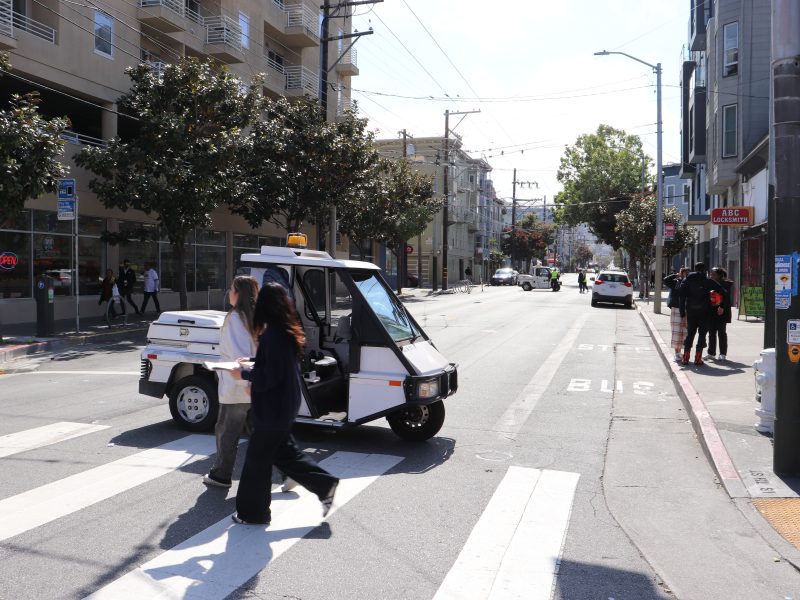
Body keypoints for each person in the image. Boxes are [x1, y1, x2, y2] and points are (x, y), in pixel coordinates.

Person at [228, 283, 339, 525]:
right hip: (282, 407)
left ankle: (253, 514)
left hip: (272, 410)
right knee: (284, 454)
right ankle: (325, 484)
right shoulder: (284, 332)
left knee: (256, 462)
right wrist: (250, 361)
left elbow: (269, 376)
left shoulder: (273, 336)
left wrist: (243, 375)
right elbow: (272, 365)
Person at [203, 276, 260, 489]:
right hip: (254, 384)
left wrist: (243, 379)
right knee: (260, 433)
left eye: (231, 289)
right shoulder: (256, 316)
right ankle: (287, 470)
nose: (228, 292)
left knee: (227, 432)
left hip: (239, 386)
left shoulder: (236, 318)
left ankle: (221, 474)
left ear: (240, 293)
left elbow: (238, 355)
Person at [678, 262, 725, 366]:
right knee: (702, 334)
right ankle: (698, 358)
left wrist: (682, 311)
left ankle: (685, 357)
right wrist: (718, 302)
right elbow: (722, 291)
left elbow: (681, 296)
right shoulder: (708, 281)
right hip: (704, 311)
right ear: (704, 270)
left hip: (690, 310)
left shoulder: (687, 280)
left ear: (694, 269)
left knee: (690, 334)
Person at [707, 267, 733, 361]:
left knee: (721, 333)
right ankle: (711, 353)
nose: (711, 275)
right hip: (711, 311)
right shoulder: (710, 283)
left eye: (713, 274)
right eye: (710, 274)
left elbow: (726, 298)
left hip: (722, 312)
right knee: (711, 333)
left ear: (719, 275)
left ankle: (722, 354)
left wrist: (722, 307)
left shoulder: (725, 284)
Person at [664, 267, 689, 361]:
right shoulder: (676, 282)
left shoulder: (690, 283)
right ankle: (677, 352)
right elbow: (666, 280)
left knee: (685, 332)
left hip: (687, 310)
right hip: (676, 309)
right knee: (676, 331)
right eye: (684, 273)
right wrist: (676, 275)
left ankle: (682, 352)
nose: (686, 275)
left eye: (688, 273)